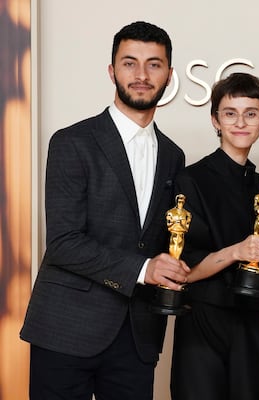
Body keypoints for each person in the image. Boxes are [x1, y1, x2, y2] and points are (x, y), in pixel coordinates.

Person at [20, 21, 189, 400]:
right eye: (130, 63)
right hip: (65, 328)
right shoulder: (71, 142)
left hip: (137, 335)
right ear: (112, 71)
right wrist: (145, 269)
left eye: (154, 64)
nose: (142, 75)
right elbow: (63, 242)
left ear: (169, 75)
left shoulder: (174, 156)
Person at [170, 72, 259, 400]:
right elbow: (183, 270)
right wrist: (237, 251)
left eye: (251, 113)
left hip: (253, 322)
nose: (241, 122)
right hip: (203, 321)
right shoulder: (191, 180)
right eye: (230, 113)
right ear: (215, 120)